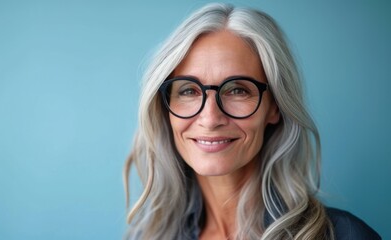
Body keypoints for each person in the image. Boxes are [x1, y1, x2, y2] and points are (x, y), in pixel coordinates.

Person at [123, 3, 381, 240]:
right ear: (164, 108)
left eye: (237, 90)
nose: (210, 118)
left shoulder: (343, 235)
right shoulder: (149, 236)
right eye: (188, 90)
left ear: (275, 106)